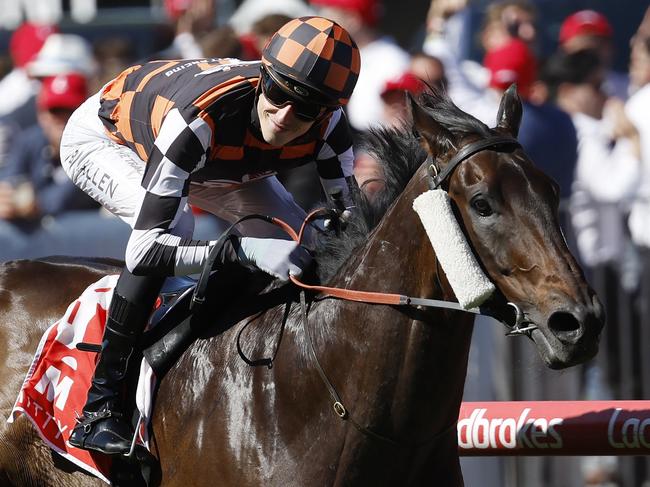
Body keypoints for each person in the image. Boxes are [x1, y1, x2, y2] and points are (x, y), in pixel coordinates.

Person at [61, 16, 360, 456]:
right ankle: (99, 407)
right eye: (278, 93)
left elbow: (351, 228)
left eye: (308, 108)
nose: (285, 115)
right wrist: (239, 250)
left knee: (303, 243)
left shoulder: (332, 129)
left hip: (218, 158)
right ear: (263, 74)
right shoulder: (201, 116)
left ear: (330, 111)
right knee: (177, 226)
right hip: (112, 140)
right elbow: (145, 251)